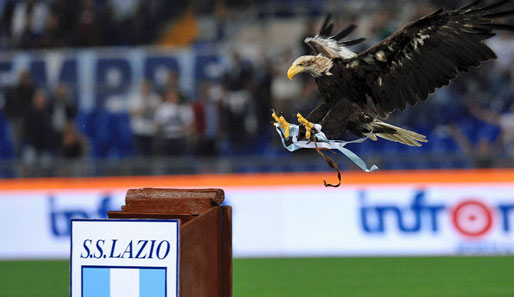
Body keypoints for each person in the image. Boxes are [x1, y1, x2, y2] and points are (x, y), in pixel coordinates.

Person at [154, 87, 194, 156]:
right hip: (167, 138)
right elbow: (157, 124)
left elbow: (190, 123)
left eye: (175, 95)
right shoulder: (162, 107)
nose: (173, 97)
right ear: (167, 96)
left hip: (180, 138)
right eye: (171, 95)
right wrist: (165, 123)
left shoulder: (185, 107)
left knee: (180, 160)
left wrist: (184, 128)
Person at [128, 80, 160, 156]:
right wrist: (143, 109)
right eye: (144, 87)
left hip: (151, 130)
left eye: (147, 87)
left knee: (150, 152)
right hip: (138, 129)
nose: (145, 89)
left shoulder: (155, 98)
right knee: (138, 152)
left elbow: (158, 111)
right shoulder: (134, 98)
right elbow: (131, 113)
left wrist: (150, 108)